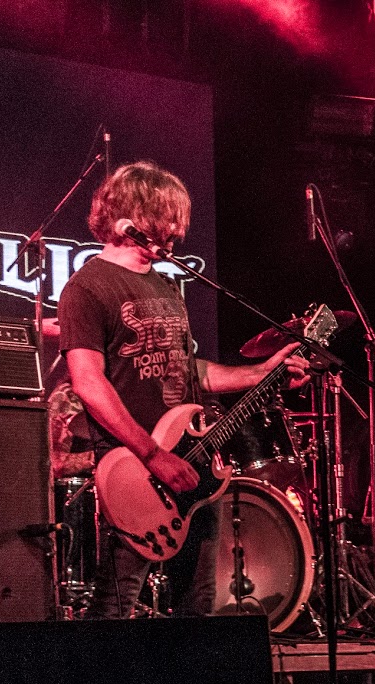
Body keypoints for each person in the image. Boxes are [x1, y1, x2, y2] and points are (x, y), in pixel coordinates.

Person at [59, 161, 308, 619]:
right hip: (135, 468)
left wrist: (262, 372)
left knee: (198, 604)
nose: (175, 232)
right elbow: (89, 383)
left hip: (192, 462)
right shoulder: (87, 288)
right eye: (166, 219)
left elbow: (188, 370)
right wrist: (154, 455)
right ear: (132, 217)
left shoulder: (166, 286)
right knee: (115, 604)